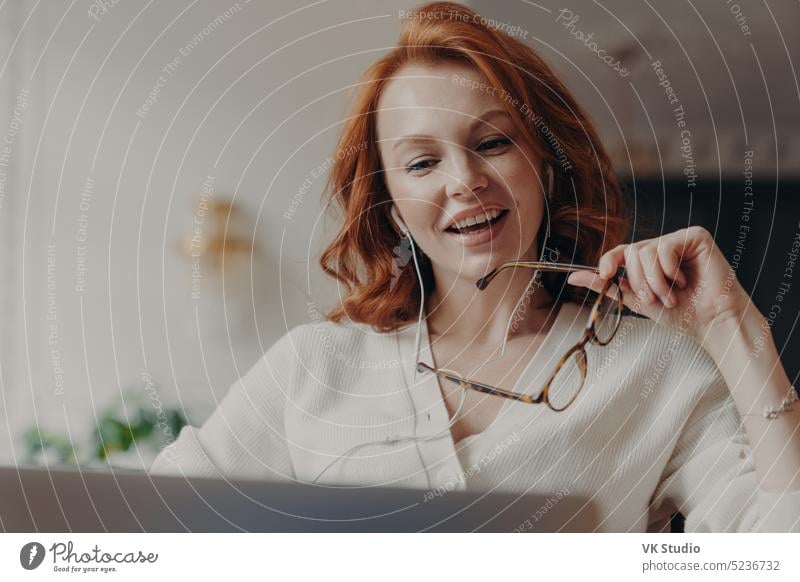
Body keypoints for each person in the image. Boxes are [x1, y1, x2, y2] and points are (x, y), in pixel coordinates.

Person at [150, 2, 800, 532]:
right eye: (422, 162)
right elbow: (151, 530)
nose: (464, 181)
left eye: (492, 142)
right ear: (394, 208)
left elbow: (780, 549)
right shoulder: (312, 367)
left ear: (545, 167)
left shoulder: (656, 370)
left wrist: (729, 325)